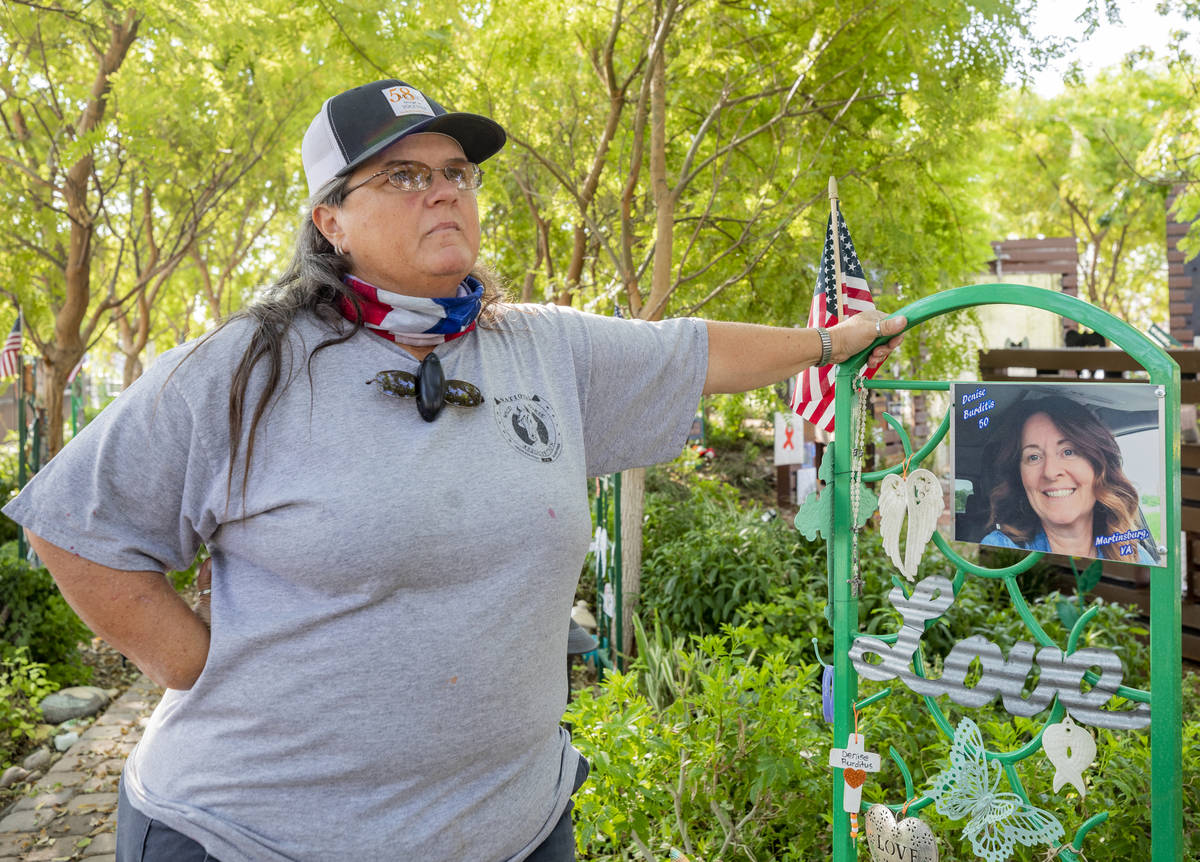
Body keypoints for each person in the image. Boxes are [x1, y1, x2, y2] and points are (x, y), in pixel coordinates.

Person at [2, 78, 904, 862]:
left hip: (513, 829)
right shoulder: (244, 367)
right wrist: (194, 662)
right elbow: (73, 522)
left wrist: (830, 340)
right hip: (255, 835)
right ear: (330, 220)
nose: (443, 193)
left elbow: (690, 351)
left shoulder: (541, 348)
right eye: (403, 175)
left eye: (456, 174)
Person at [981, 395, 1158, 564]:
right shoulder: (999, 550)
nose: (1050, 472)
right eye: (1033, 457)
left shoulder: (1135, 555)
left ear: (1098, 467)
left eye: (1068, 452)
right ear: (1020, 477)